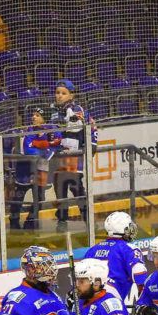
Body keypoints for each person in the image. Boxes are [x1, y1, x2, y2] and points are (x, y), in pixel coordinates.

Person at [48, 78, 97, 225]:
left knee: (77, 189)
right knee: (60, 190)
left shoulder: (78, 109)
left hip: (74, 158)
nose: (59, 96)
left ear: (71, 95)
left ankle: (89, 220)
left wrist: (92, 144)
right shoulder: (53, 113)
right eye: (57, 93)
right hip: (59, 157)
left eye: (63, 93)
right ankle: (62, 221)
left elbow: (89, 127)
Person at [9, 107, 55, 229]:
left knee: (40, 197)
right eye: (33, 115)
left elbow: (54, 147)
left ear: (44, 120)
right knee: (19, 195)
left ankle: (31, 219)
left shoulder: (51, 132)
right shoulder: (27, 131)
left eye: (37, 115)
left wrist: (43, 149)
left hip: (40, 169)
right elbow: (28, 150)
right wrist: (43, 150)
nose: (33, 117)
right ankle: (13, 220)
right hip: (24, 169)